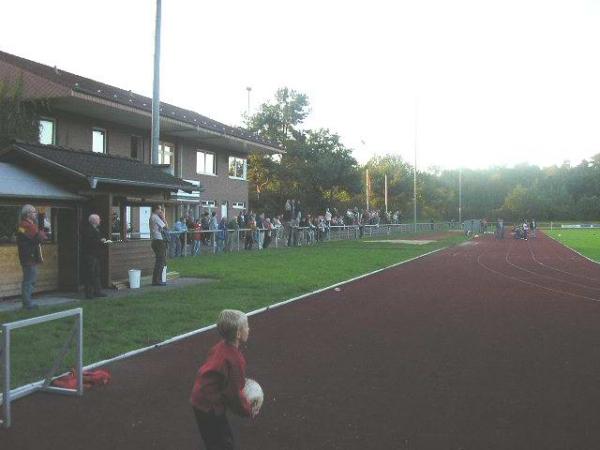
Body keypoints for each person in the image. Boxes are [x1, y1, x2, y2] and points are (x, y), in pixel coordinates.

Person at [190, 310, 260, 450]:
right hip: (210, 405)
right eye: (246, 326)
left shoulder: (219, 347)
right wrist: (248, 410)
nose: (249, 329)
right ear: (238, 334)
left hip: (200, 398)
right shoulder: (235, 360)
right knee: (224, 443)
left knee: (213, 440)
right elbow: (234, 394)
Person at [16, 205, 47, 310]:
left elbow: (36, 237)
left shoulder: (25, 225)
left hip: (28, 256)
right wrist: (41, 233)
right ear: (28, 213)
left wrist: (40, 233)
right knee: (29, 281)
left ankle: (27, 303)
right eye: (33, 212)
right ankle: (27, 304)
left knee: (29, 280)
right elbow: (39, 237)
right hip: (29, 257)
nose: (35, 214)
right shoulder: (26, 225)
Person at [82, 214, 110, 299]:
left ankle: (97, 291)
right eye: (98, 219)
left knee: (97, 274)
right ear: (94, 221)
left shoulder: (96, 229)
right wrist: (100, 241)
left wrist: (103, 242)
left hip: (96, 255)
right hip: (90, 255)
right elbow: (89, 242)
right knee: (90, 274)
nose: (100, 220)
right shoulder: (88, 230)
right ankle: (89, 294)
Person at [149, 206, 168, 286]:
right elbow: (166, 227)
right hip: (159, 240)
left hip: (155, 240)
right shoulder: (155, 217)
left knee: (159, 261)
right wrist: (163, 217)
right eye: (160, 209)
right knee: (161, 261)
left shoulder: (152, 217)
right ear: (156, 209)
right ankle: (157, 280)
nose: (161, 211)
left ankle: (156, 280)